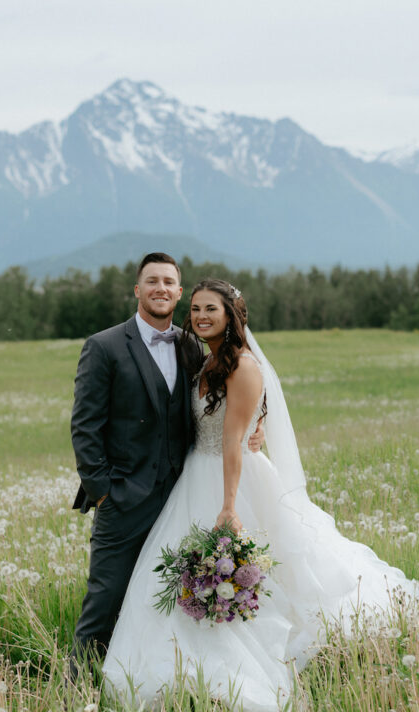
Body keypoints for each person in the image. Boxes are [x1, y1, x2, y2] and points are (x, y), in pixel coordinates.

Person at [102, 279, 419, 711]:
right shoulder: (206, 359)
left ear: (231, 315)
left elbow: (233, 442)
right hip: (195, 474)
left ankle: (238, 661)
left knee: (254, 571)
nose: (200, 316)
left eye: (211, 309)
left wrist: (229, 506)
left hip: (230, 480)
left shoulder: (242, 365)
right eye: (196, 309)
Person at [70, 254, 261, 666]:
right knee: (106, 598)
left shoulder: (192, 346)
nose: (160, 288)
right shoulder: (103, 346)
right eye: (151, 281)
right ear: (138, 290)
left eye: (169, 282)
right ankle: (77, 685)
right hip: (123, 497)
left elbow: (242, 389)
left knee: (169, 600)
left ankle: (156, 677)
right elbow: (84, 428)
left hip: (182, 496)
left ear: (178, 292)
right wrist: (104, 492)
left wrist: (258, 425)